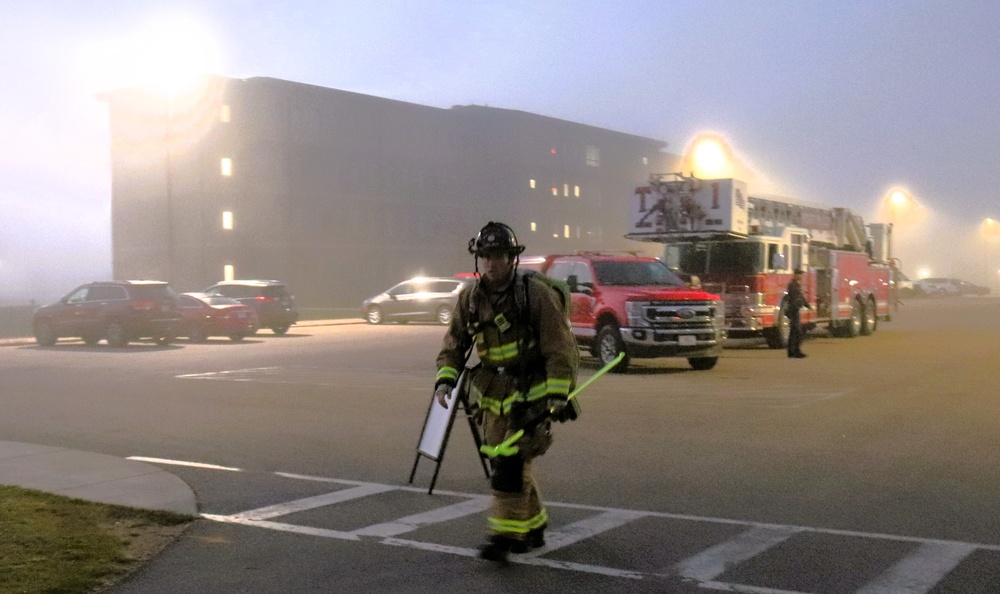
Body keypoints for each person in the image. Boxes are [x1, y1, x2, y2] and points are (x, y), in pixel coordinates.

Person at [433, 222, 579, 564]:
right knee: (505, 459)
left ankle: (503, 536)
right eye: (486, 256)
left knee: (511, 463)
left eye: (498, 256)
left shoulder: (535, 295)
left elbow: (560, 348)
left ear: (512, 258)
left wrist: (559, 394)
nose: (491, 264)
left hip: (533, 392)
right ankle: (535, 524)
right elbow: (454, 344)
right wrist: (445, 381)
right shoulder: (471, 298)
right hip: (492, 394)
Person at [785, 268, 811, 358]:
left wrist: (808, 306)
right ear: (795, 275)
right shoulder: (792, 285)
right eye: (799, 274)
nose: (800, 276)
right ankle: (795, 351)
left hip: (796, 310)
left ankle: (793, 352)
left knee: (794, 332)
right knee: (797, 332)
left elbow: (801, 297)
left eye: (801, 274)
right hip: (793, 310)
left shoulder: (796, 285)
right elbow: (795, 297)